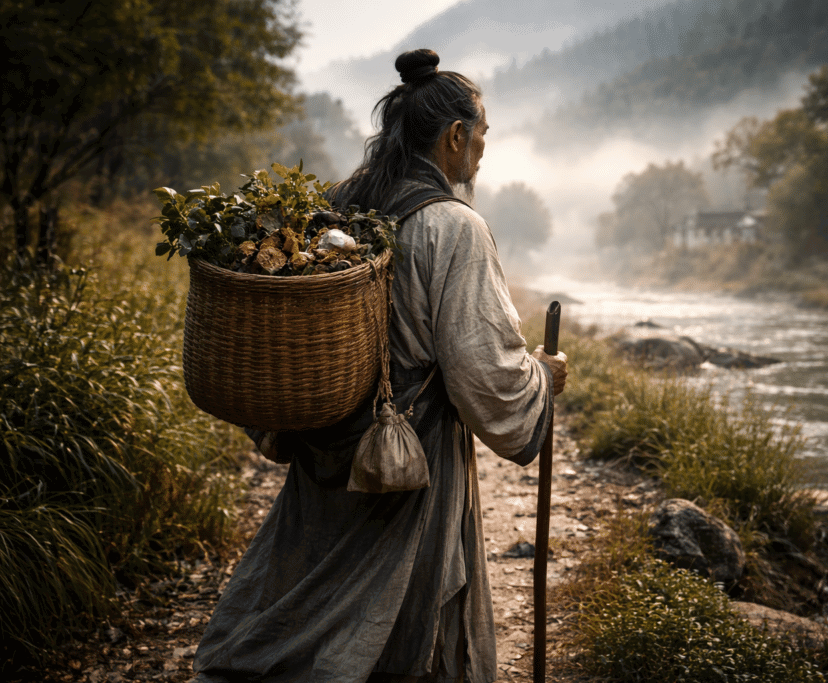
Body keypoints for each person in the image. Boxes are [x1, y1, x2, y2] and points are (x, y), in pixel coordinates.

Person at [190, 48, 568, 683]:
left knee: (303, 595)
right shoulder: (452, 227)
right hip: (404, 469)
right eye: (481, 138)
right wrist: (542, 379)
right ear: (454, 137)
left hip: (326, 451)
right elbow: (486, 375)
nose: (481, 154)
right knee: (395, 625)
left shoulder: (338, 204)